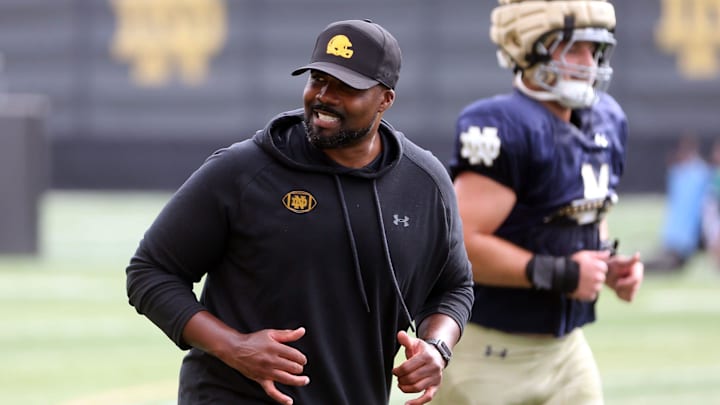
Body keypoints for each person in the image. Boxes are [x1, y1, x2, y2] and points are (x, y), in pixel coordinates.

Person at [125, 19, 474, 405]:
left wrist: (436, 347)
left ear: (385, 99)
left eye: (346, 87)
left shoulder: (424, 183)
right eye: (318, 80)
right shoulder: (243, 171)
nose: (324, 96)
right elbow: (149, 272)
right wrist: (234, 346)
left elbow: (453, 286)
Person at [435, 1, 644, 404]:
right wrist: (564, 273)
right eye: (575, 48)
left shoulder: (607, 120)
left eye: (595, 49)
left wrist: (606, 262)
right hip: (487, 352)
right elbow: (460, 246)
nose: (589, 61)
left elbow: (586, 214)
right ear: (531, 49)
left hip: (566, 353)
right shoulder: (506, 125)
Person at [645, 133, 710, 271]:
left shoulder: (699, 174)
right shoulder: (680, 174)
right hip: (674, 242)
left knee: (661, 264)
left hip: (683, 244)